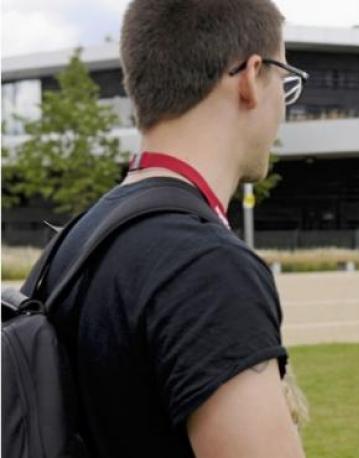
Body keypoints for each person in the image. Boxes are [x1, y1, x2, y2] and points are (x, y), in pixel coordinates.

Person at [31, 1, 308, 456]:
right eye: (284, 81)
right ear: (250, 78)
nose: (283, 103)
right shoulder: (205, 269)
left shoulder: (77, 240)